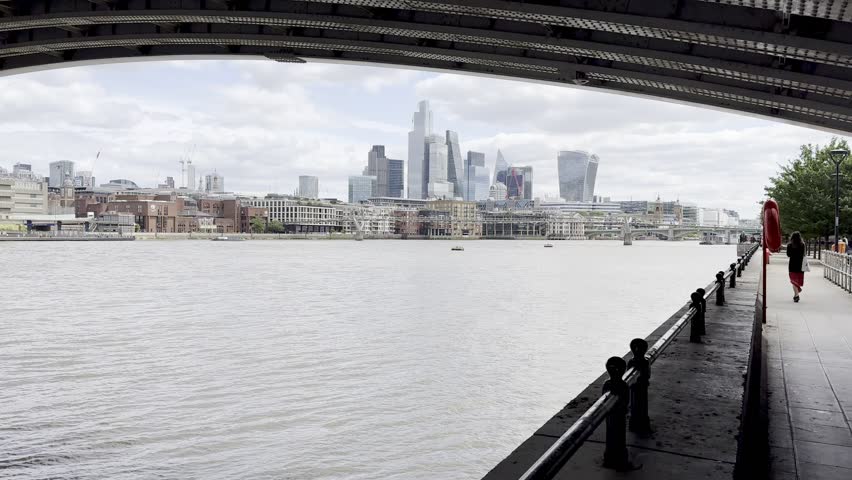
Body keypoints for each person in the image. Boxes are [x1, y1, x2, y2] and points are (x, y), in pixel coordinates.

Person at [787, 232, 806, 302]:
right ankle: (796, 294)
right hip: (800, 265)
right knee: (797, 280)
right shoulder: (802, 244)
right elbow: (803, 254)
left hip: (792, 264)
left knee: (793, 280)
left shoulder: (789, 245)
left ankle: (796, 295)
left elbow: (788, 255)